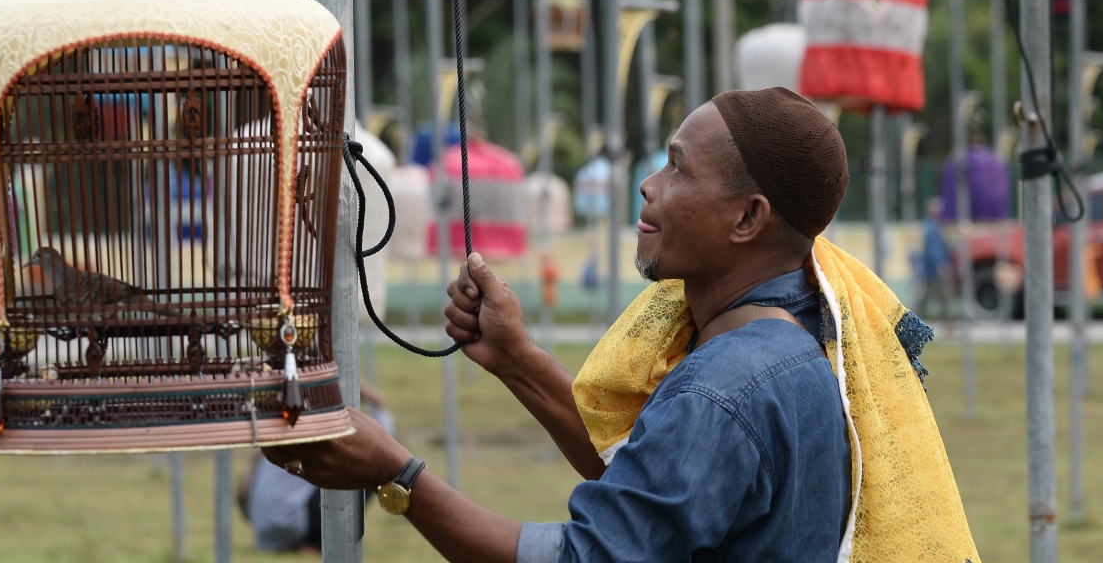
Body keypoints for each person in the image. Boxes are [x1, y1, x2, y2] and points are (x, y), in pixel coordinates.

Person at [261, 88, 978, 562]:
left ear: (748, 218)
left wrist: (397, 474)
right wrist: (516, 360)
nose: (648, 184)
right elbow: (654, 483)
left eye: (675, 168)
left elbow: (589, 557)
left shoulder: (724, 387)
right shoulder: (793, 340)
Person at [239, 385, 395, 554]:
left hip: (264, 532)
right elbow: (382, 454)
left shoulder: (279, 426)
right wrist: (378, 404)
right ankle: (316, 544)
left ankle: (303, 541)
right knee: (365, 473)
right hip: (289, 525)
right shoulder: (318, 428)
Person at [918, 196, 954, 320]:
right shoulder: (931, 228)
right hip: (935, 267)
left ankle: (917, 317)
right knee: (942, 294)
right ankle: (947, 320)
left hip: (932, 267)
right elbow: (933, 249)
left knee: (928, 295)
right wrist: (940, 264)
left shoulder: (934, 226)